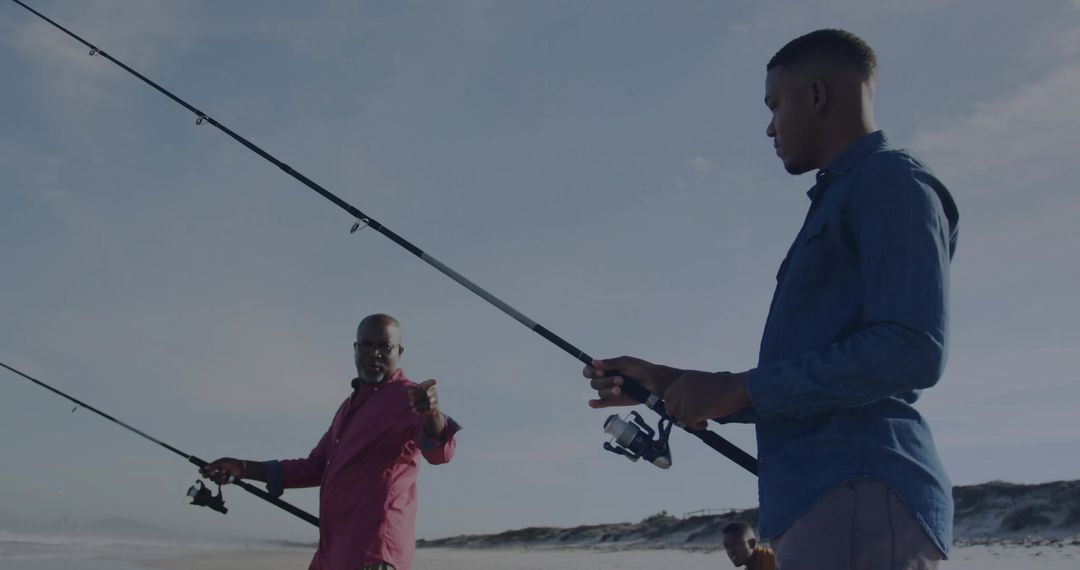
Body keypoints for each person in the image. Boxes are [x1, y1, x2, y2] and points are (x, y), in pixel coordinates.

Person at [585, 29, 957, 569]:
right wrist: (671, 383)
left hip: (857, 493)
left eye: (774, 105)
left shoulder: (892, 181)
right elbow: (810, 379)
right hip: (822, 502)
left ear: (816, 96)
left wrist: (739, 388)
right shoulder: (843, 197)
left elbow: (911, 349)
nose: (768, 126)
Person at [202, 314, 461, 570]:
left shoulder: (409, 397)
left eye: (385, 346)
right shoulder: (348, 407)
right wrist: (243, 468)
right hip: (334, 548)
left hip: (373, 555)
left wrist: (432, 414)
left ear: (400, 352)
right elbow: (315, 467)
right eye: (367, 345)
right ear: (356, 349)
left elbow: (440, 451)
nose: (375, 353)